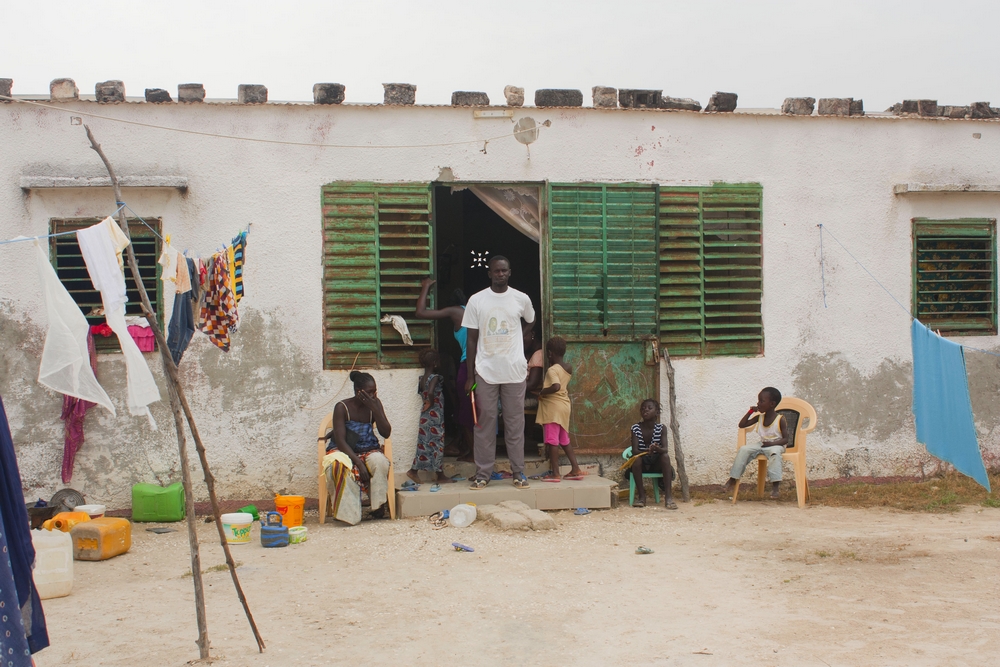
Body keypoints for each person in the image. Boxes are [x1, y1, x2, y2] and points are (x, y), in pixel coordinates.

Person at [462, 255, 536, 490]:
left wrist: (522, 337)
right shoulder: (477, 300)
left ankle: (518, 472)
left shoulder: (521, 298)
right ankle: (483, 473)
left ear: (510, 272)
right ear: (490, 273)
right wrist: (470, 375)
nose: (500, 274)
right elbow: (471, 340)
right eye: (496, 271)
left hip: (514, 371)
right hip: (486, 371)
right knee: (484, 424)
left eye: (504, 271)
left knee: (515, 424)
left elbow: (531, 320)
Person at [321, 371, 393, 525]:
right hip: (344, 450)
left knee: (380, 462)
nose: (373, 395)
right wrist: (358, 463)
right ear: (358, 391)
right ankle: (349, 515)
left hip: (368, 448)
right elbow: (340, 441)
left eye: (375, 392)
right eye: (369, 393)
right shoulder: (342, 407)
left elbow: (386, 432)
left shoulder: (375, 404)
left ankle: (378, 506)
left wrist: (376, 409)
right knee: (336, 466)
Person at [415, 278, 473, 461]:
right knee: (471, 411)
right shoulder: (472, 312)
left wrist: (425, 287)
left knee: (465, 413)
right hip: (482, 367)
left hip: (469, 366)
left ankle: (473, 454)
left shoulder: (456, 311)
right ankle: (468, 449)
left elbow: (421, 312)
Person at [724, 387, 789, 499]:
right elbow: (742, 425)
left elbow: (786, 439)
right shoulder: (759, 417)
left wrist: (772, 444)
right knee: (744, 449)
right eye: (758, 401)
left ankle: (775, 487)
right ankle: (733, 479)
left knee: (775, 453)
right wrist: (750, 412)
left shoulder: (780, 419)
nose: (758, 404)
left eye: (762, 401)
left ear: (772, 404)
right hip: (762, 444)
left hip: (776, 445)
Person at [534, 336, 584, 482]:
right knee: (564, 440)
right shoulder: (567, 367)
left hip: (553, 409)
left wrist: (541, 392)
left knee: (552, 441)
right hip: (564, 406)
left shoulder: (552, 370)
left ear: (550, 353)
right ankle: (575, 468)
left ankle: (555, 473)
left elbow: (556, 387)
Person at [407, 349, 452, 486]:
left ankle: (414, 470)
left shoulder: (422, 378)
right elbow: (431, 392)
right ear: (434, 363)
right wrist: (431, 402)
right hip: (435, 414)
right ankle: (440, 475)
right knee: (437, 444)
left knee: (424, 444)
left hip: (425, 415)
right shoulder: (435, 377)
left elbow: (423, 392)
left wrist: (427, 401)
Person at [624, 399, 677, 509]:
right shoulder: (636, 428)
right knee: (636, 459)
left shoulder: (661, 428)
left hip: (656, 463)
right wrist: (647, 451)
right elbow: (635, 451)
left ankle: (668, 498)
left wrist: (657, 449)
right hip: (642, 462)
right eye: (643, 409)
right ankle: (642, 497)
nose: (645, 411)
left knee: (665, 457)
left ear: (657, 412)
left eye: (649, 408)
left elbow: (665, 449)